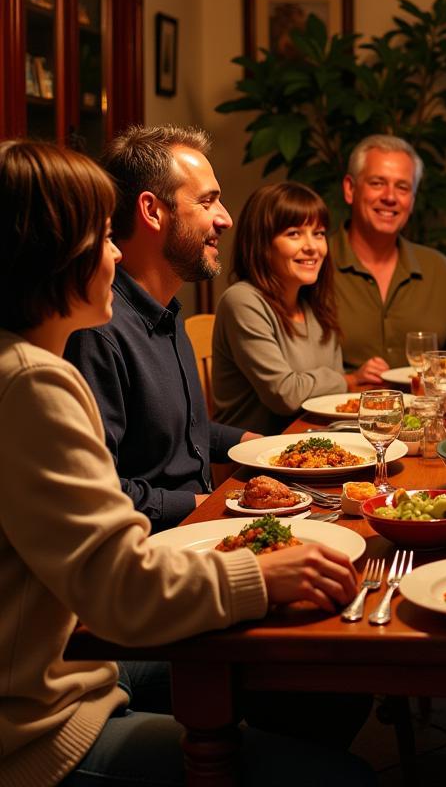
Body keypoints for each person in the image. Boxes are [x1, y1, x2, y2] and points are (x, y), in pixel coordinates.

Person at [0, 140, 370, 786]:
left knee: (328, 669)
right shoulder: (31, 381)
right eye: (98, 234)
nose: (113, 249)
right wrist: (262, 574)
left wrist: (267, 466)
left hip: (69, 666)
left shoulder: (44, 361)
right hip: (46, 727)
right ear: (56, 253)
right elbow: (121, 592)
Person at [65, 125, 257, 531]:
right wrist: (212, 505)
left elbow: (180, 436)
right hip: (157, 551)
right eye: (208, 202)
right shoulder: (99, 331)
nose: (225, 219)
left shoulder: (165, 310)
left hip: (203, 526)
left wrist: (262, 447)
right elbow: (100, 493)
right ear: (152, 211)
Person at [334, 134, 446, 381]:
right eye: (377, 183)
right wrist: (350, 378)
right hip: (336, 413)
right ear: (350, 189)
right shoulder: (314, 263)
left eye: (402, 187)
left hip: (426, 412)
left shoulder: (436, 267)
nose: (390, 197)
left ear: (412, 199)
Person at [213, 182, 347, 434]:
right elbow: (285, 395)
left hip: (314, 446)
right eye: (294, 233)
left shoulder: (313, 306)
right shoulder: (241, 300)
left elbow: (333, 396)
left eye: (318, 233)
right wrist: (344, 380)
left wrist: (338, 382)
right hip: (252, 459)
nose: (312, 246)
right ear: (262, 243)